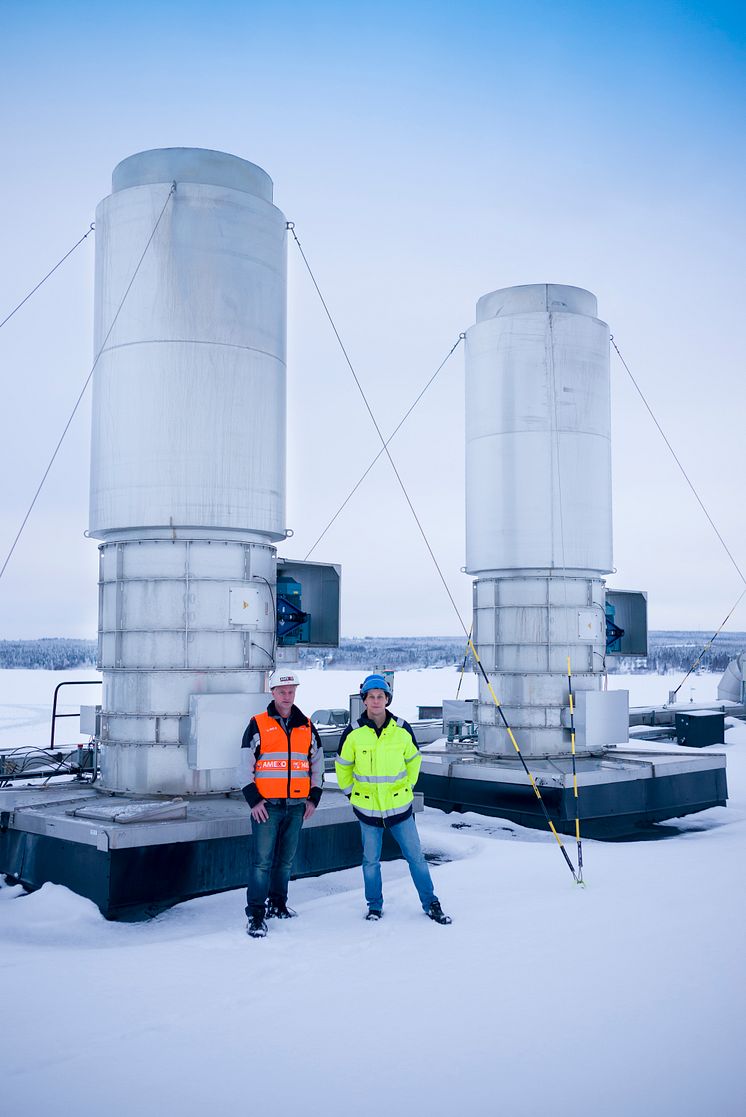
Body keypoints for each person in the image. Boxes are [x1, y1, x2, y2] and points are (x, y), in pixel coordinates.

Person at [336, 673, 452, 924]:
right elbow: (343, 766)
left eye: (380, 696)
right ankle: (374, 906)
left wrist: (407, 788)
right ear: (364, 700)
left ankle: (431, 903)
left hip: (400, 810)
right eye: (371, 696)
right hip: (367, 811)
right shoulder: (354, 733)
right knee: (370, 862)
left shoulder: (401, 729)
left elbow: (414, 761)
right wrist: (351, 794)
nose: (376, 701)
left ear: (387, 699)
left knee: (416, 858)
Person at [241, 669, 324, 938]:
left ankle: (278, 904)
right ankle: (256, 914)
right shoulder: (258, 724)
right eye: (282, 691)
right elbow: (245, 765)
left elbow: (317, 764)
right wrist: (254, 800)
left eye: (291, 691)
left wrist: (313, 797)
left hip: (296, 805)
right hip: (267, 807)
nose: (287, 696)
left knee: (285, 862)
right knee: (262, 862)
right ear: (273, 692)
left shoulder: (307, 725)